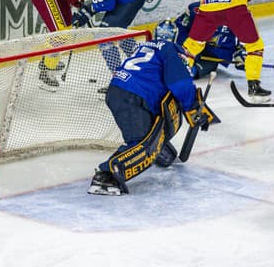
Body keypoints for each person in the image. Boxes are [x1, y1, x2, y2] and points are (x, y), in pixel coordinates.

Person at [87, 39, 216, 196]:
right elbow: (180, 83)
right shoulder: (173, 53)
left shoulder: (150, 46)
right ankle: (106, 176)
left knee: (148, 133)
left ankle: (157, 145)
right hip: (135, 95)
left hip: (118, 90)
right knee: (141, 144)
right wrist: (192, 108)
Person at [154, 1, 247, 79]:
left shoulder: (237, 14)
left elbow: (244, 42)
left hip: (211, 57)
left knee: (185, 72)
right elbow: (179, 28)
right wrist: (181, 49)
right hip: (190, 49)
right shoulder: (195, 10)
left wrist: (241, 55)